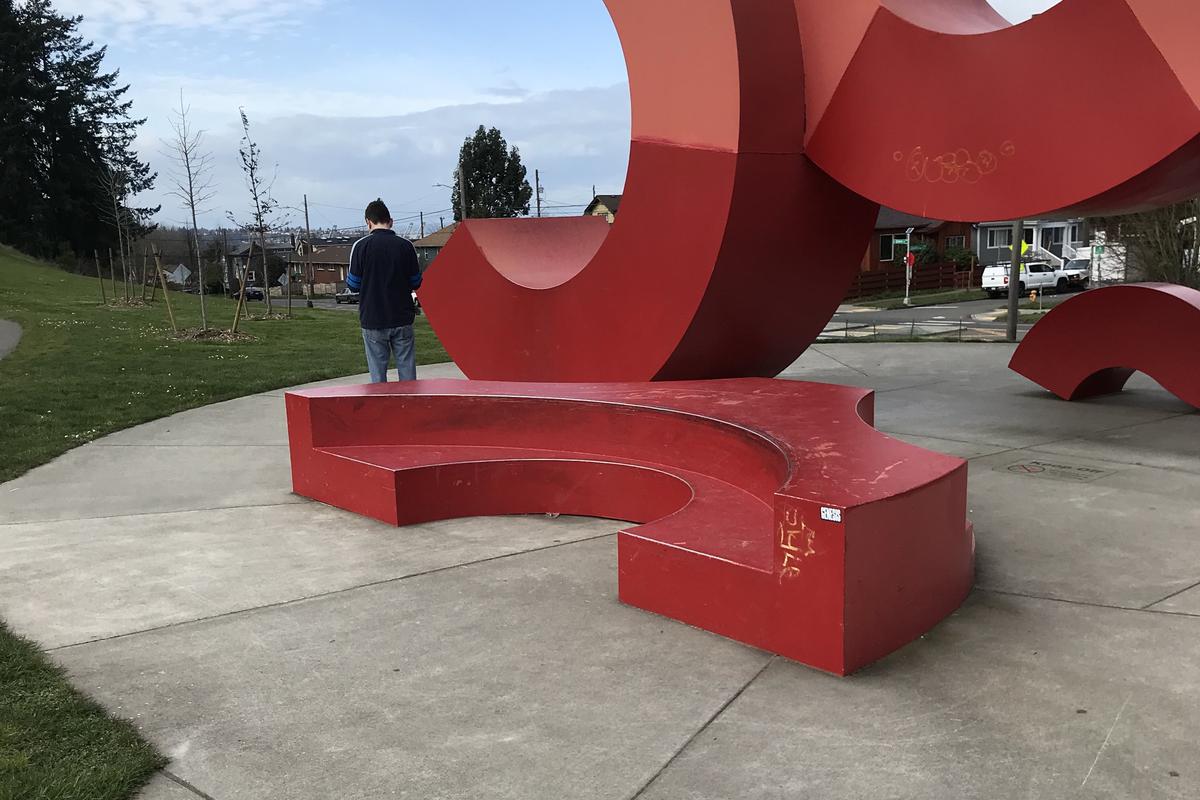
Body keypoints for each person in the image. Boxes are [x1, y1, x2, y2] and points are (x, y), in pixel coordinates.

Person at [346, 199, 424, 383]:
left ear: (368, 222)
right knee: (407, 372)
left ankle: (381, 408)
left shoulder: (360, 247)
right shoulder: (406, 246)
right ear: (391, 221)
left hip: (373, 318)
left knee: (378, 376)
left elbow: (353, 285)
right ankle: (409, 406)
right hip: (402, 317)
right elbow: (416, 282)